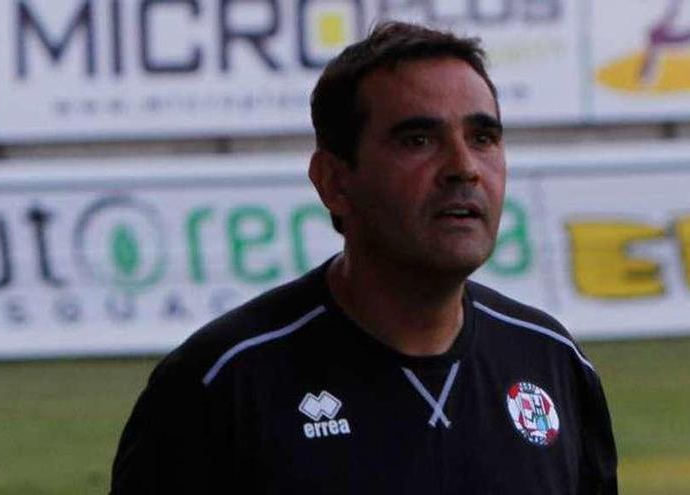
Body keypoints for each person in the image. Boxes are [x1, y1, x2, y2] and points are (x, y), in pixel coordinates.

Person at [110, 21, 617, 494]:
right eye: (418, 139)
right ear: (334, 182)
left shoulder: (552, 362)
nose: (464, 168)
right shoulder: (222, 382)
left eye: (483, 138)